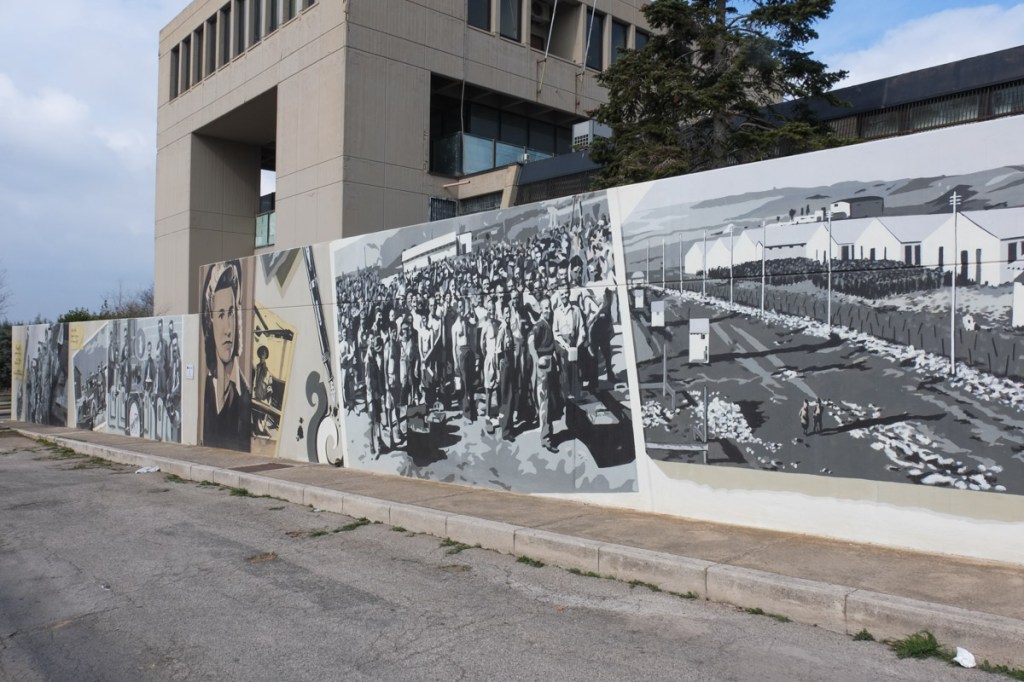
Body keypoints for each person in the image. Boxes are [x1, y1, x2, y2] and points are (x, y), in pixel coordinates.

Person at [201, 260, 251, 452]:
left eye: (231, 313)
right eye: (221, 315)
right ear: (210, 320)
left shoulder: (244, 396)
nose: (228, 329)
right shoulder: (208, 388)